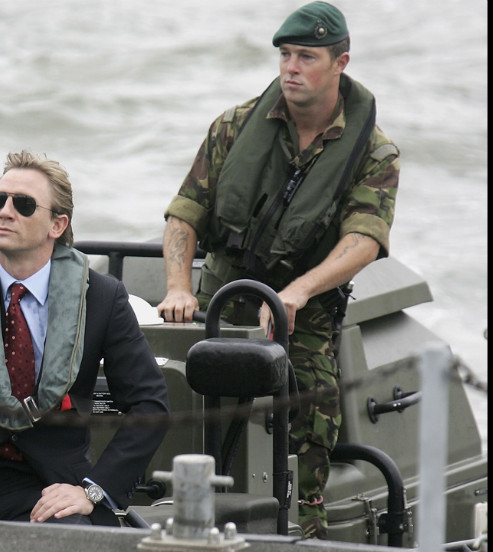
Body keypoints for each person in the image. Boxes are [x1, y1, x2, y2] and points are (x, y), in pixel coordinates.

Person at [156, 1, 399, 539]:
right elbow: (183, 214)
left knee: (312, 415)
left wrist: (297, 292)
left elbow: (363, 240)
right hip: (222, 295)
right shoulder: (234, 126)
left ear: (340, 63)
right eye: (285, 55)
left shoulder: (373, 155)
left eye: (305, 56)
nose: (290, 67)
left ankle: (304, 532)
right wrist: (177, 287)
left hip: (303, 310)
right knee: (181, 407)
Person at [0, 150, 171, 526]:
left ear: (57, 225)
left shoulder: (100, 298)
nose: (5, 211)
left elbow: (150, 406)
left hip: (51, 484)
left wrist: (92, 490)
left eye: (23, 204)